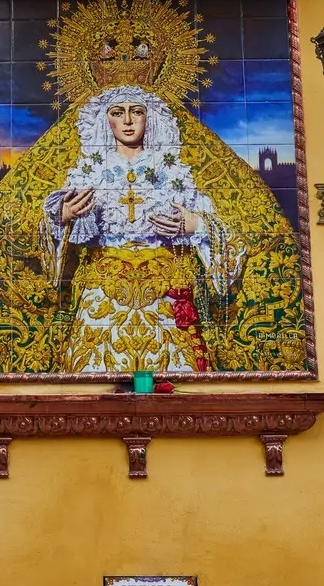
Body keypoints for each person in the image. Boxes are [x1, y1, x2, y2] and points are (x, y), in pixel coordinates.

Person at [40, 85, 245, 373]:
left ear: (150, 118)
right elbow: (48, 230)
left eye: (136, 112)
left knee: (177, 374)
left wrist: (195, 225)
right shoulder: (88, 171)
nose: (127, 121)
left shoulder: (175, 171)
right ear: (104, 119)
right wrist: (63, 216)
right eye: (117, 112)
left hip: (164, 290)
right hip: (103, 290)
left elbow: (227, 231)